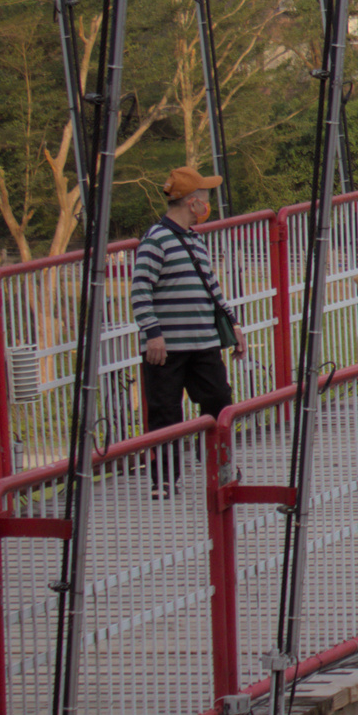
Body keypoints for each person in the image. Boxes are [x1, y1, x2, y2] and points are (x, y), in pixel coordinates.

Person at [133, 168, 240, 490]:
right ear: (192, 203)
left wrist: (233, 324)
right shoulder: (156, 240)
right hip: (166, 348)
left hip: (203, 342)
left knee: (219, 400)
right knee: (165, 411)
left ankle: (219, 466)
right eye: (205, 199)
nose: (208, 205)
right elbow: (140, 291)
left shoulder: (195, 240)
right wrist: (153, 333)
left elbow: (212, 288)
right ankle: (164, 480)